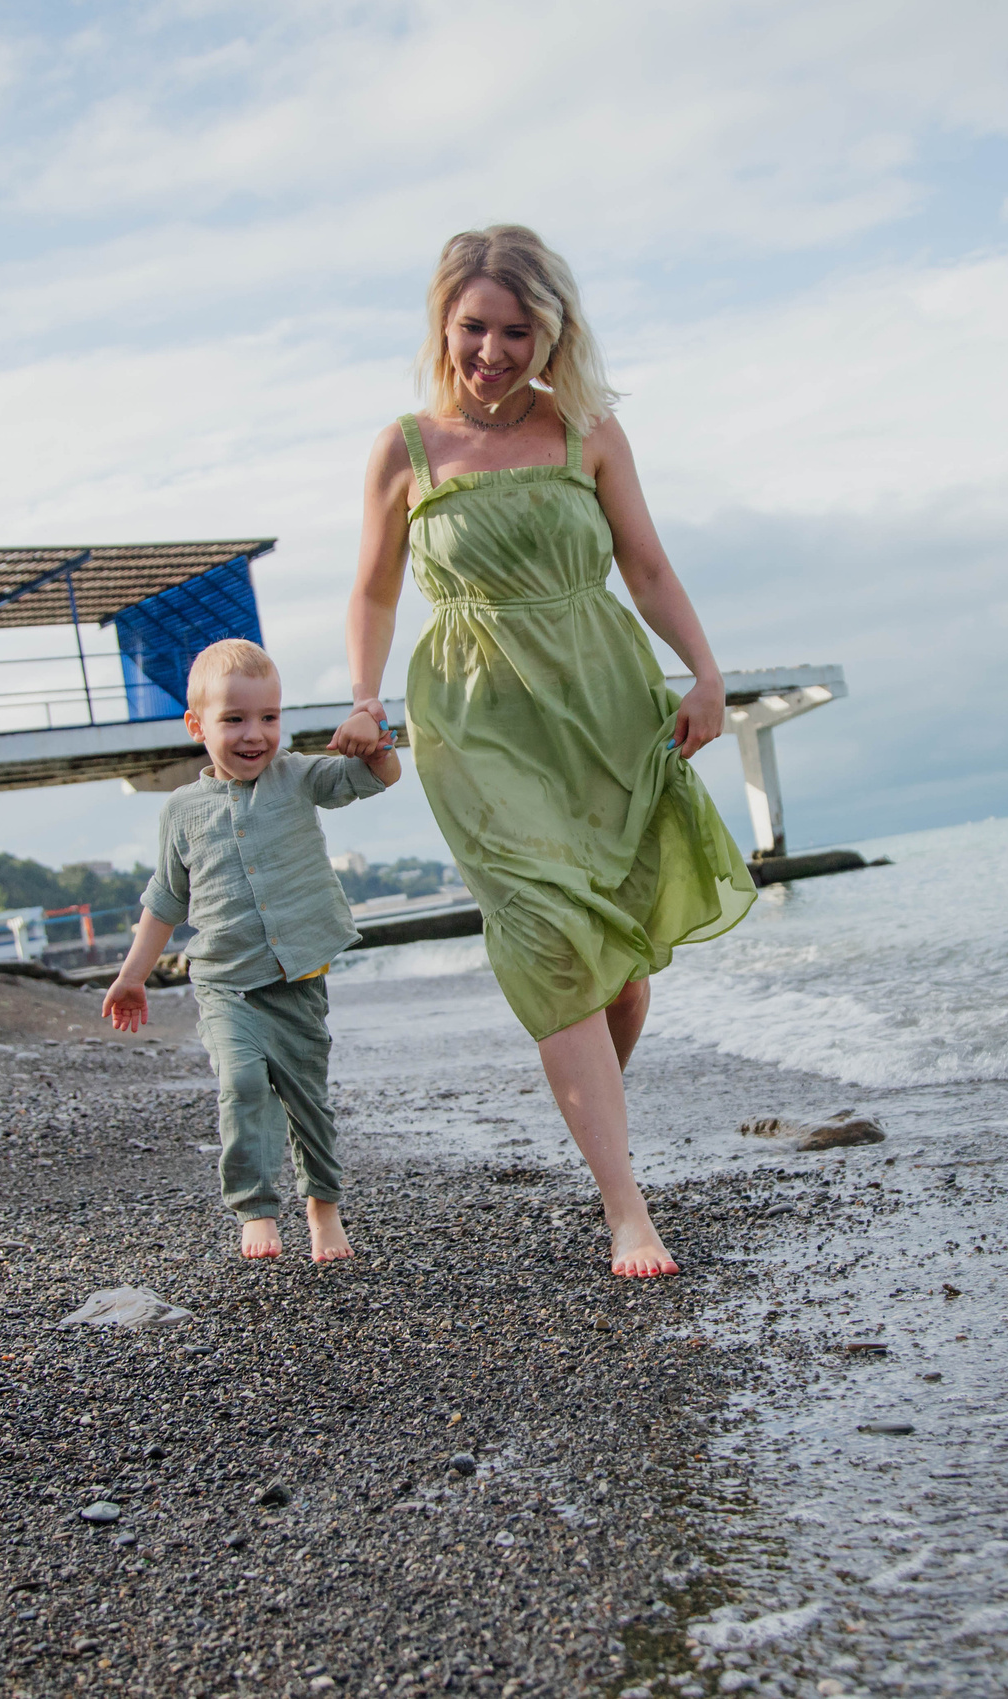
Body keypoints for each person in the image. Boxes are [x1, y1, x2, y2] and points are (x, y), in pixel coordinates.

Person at [333, 225, 756, 1279]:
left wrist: (704, 674)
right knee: (552, 935)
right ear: (443, 323)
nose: (493, 351)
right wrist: (362, 697)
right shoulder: (406, 446)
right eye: (474, 327)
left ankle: (585, 1112)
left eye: (517, 330)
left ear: (552, 330)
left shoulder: (590, 433)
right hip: (476, 722)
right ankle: (625, 1209)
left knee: (616, 971)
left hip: (606, 706)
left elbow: (648, 569)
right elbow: (375, 587)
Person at [106, 639, 401, 1263]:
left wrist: (374, 729)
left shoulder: (297, 776)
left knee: (306, 1100)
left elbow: (376, 776)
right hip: (225, 985)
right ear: (196, 726)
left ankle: (323, 1209)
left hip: (297, 977)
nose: (254, 735)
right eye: (234, 719)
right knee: (242, 1083)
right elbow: (165, 902)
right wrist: (132, 976)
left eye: (268, 718)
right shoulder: (181, 812)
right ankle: (256, 1209)